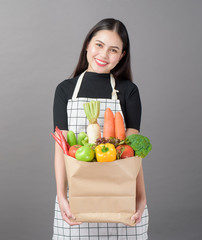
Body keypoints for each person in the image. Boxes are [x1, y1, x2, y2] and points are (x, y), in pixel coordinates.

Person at [52, 18, 149, 239]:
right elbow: (61, 148)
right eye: (99, 45)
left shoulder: (128, 91)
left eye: (113, 50)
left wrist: (141, 197)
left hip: (122, 198)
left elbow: (133, 153)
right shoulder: (65, 90)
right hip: (77, 197)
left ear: (122, 55)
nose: (104, 55)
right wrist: (61, 196)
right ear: (87, 44)